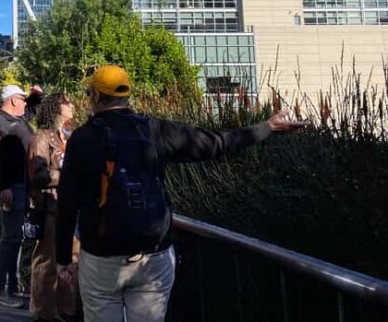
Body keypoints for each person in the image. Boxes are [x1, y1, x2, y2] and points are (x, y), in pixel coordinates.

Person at [56, 65, 307, 322]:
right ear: (127, 95)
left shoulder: (82, 139)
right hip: (153, 256)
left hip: (101, 259)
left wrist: (63, 258)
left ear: (96, 97)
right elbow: (216, 143)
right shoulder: (155, 130)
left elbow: (67, 203)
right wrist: (267, 127)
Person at [27, 92, 74, 322]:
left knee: (70, 262)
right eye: (67, 103)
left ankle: (66, 309)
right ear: (57, 108)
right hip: (49, 210)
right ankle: (42, 312)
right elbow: (38, 175)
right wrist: (66, 175)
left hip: (69, 209)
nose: (72, 105)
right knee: (47, 263)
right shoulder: (41, 139)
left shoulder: (65, 136)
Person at [0, 84, 34, 309]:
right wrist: (3, 186)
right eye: (23, 99)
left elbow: (32, 111)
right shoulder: (1, 121)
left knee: (16, 238)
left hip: (22, 185)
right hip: (12, 188)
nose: (26, 103)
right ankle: (1, 289)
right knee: (10, 238)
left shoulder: (15, 119)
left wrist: (36, 96)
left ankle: (12, 285)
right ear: (13, 100)